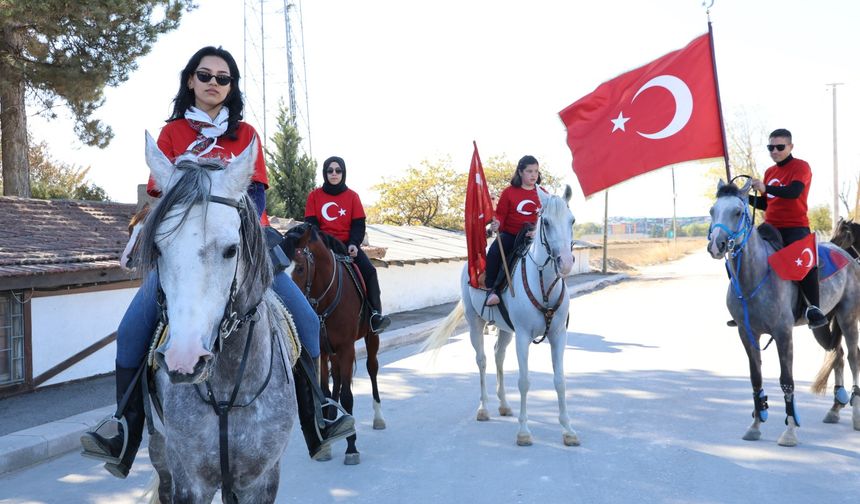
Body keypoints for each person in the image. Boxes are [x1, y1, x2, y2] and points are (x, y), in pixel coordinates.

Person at [80, 46, 353, 477]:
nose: (213, 83)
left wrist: (236, 222)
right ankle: (124, 428)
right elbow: (160, 194)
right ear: (190, 80)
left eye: (223, 78)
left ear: (231, 87)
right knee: (133, 327)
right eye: (204, 75)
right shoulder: (171, 135)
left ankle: (318, 413)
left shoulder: (245, 136)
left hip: (241, 240)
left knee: (303, 318)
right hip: (185, 246)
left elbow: (258, 192)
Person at [748, 128, 827, 329]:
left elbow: (793, 192)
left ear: (790, 147)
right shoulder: (769, 172)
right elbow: (767, 203)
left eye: (779, 147)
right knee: (744, 253)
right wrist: (743, 198)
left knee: (805, 263)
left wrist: (767, 188)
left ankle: (813, 309)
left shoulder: (801, 167)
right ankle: (745, 304)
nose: (774, 151)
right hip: (769, 228)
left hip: (795, 227)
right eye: (770, 147)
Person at [304, 156, 391, 333]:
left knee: (370, 271)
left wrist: (353, 244)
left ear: (343, 173)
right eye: (330, 170)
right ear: (325, 173)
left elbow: (359, 225)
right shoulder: (314, 196)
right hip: (323, 246)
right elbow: (311, 225)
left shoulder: (353, 197)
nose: (334, 174)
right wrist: (322, 245)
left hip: (347, 247)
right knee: (301, 272)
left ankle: (375, 315)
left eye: (338, 170)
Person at [485, 155, 544, 306]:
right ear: (520, 172)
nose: (533, 175)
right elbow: (500, 214)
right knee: (494, 252)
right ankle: (492, 290)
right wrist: (497, 222)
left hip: (534, 238)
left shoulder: (543, 193)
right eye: (529, 171)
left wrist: (536, 232)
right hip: (512, 236)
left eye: (536, 171)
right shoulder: (509, 192)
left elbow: (546, 218)